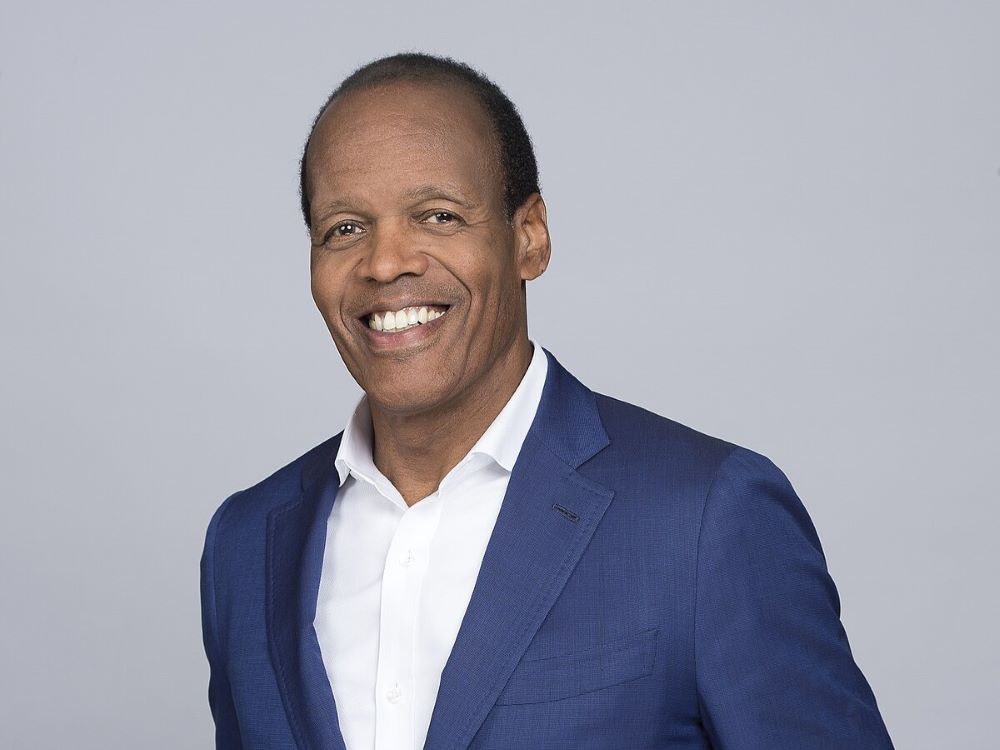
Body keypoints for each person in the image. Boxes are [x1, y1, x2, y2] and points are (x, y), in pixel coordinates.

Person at [199, 52, 894, 750]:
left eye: (437, 215)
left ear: (528, 237)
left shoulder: (707, 517)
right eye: (344, 228)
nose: (385, 263)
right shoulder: (245, 543)